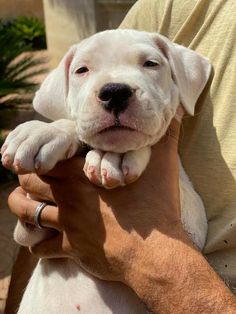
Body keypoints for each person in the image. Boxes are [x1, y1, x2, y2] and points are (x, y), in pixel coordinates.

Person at [5, 0, 236, 313]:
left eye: (150, 65)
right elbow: (29, 235)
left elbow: (190, 233)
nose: (115, 89)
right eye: (83, 70)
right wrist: (69, 133)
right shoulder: (169, 7)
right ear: (65, 94)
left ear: (180, 81)